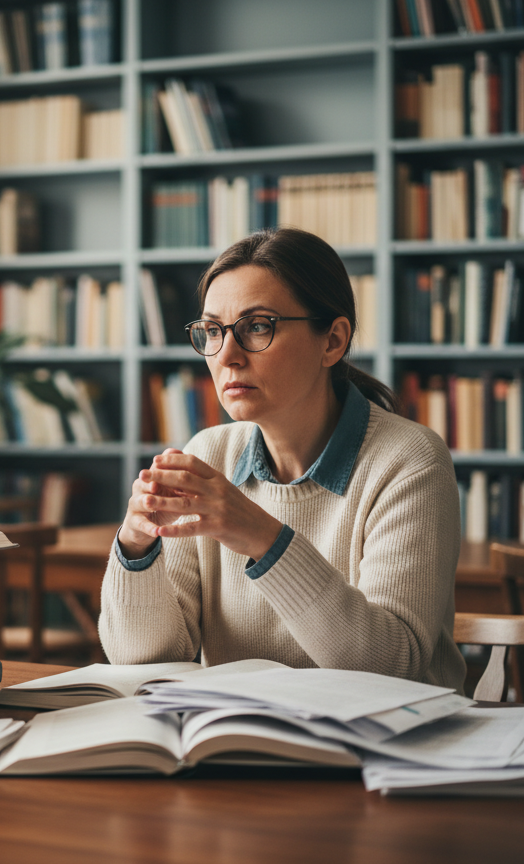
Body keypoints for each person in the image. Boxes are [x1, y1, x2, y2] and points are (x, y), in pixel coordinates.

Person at [100, 227, 466, 690]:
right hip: (241, 744)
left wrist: (263, 538)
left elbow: (390, 667)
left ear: (332, 341)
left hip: (384, 749)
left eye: (257, 326)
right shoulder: (207, 454)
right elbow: (147, 661)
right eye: (212, 331)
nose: (227, 355)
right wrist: (136, 548)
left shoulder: (410, 461)